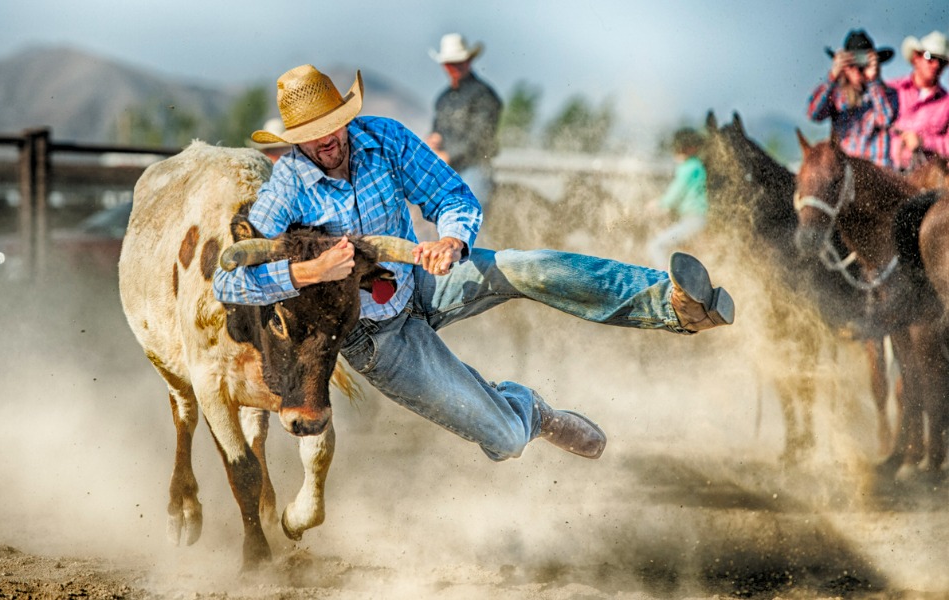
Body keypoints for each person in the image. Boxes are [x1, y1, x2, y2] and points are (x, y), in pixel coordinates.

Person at [213, 64, 735, 463]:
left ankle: (671, 304)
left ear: (346, 116)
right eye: (309, 133)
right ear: (293, 140)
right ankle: (532, 412)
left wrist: (451, 240)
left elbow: (453, 196)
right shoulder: (285, 189)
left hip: (421, 276)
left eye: (332, 123)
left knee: (527, 266)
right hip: (374, 336)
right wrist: (306, 273)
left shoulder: (384, 138)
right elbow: (227, 282)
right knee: (506, 440)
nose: (324, 139)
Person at [425, 33, 502, 206]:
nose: (455, 67)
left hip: (474, 167)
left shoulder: (484, 95)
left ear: (468, 61)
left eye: (458, 62)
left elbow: (480, 137)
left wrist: (448, 155)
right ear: (444, 65)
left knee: (471, 213)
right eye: (450, 63)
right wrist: (433, 139)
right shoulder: (443, 98)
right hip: (446, 169)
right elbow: (437, 128)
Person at [807, 29, 899, 168]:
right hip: (845, 170)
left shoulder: (888, 94)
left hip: (877, 172)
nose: (857, 69)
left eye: (862, 63)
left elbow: (885, 120)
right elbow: (814, 114)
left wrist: (873, 81)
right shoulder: (836, 95)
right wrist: (832, 76)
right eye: (851, 64)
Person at [647, 128, 709, 268]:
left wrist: (657, 204)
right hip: (695, 220)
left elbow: (674, 196)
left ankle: (666, 284)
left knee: (656, 246)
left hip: (693, 221)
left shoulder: (689, 167)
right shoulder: (696, 166)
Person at [889, 30, 949, 170]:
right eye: (930, 57)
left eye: (942, 61)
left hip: (923, 178)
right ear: (916, 57)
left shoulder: (946, 104)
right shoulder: (892, 89)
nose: (936, 65)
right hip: (885, 171)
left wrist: (923, 141)